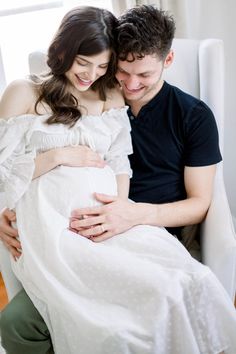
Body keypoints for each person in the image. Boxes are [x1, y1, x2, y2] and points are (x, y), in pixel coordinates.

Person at [0, 4, 236, 354]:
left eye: (143, 74)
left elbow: (199, 202)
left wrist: (131, 213)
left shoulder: (192, 116)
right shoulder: (96, 94)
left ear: (167, 62)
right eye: (121, 72)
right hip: (63, 235)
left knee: (167, 298)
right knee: (17, 323)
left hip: (141, 233)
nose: (129, 84)